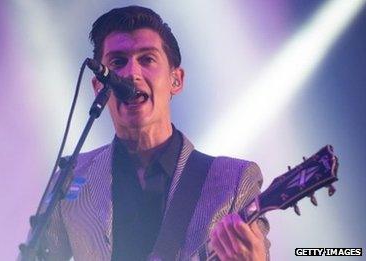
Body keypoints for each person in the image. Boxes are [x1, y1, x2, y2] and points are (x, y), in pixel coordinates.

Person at [24, 5, 270, 261]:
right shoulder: (71, 177)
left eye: (147, 59)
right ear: (99, 85)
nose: (131, 73)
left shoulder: (233, 181)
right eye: (118, 62)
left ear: (176, 80)